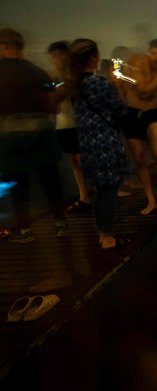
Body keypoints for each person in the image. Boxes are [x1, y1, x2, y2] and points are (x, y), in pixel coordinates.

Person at [0, 27, 67, 243]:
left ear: (6, 46)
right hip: (42, 134)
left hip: (11, 137)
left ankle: (26, 230)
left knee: (20, 186)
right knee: (50, 181)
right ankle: (61, 223)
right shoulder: (38, 72)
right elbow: (53, 103)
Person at [67, 38, 130, 250]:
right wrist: (118, 88)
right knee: (109, 190)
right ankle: (108, 238)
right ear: (93, 58)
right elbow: (121, 110)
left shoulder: (75, 85)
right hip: (105, 142)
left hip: (86, 142)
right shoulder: (99, 83)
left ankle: (103, 234)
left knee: (100, 190)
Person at [118, 38, 157, 215]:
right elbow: (143, 91)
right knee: (139, 158)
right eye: (152, 53)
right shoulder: (139, 61)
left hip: (151, 113)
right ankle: (151, 200)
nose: (154, 57)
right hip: (131, 113)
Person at [48, 40, 91, 212]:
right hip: (63, 123)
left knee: (84, 160)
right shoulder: (53, 76)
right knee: (74, 161)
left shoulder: (76, 74)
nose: (56, 59)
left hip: (78, 123)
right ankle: (83, 196)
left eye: (59, 55)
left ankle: (101, 192)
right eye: (53, 56)